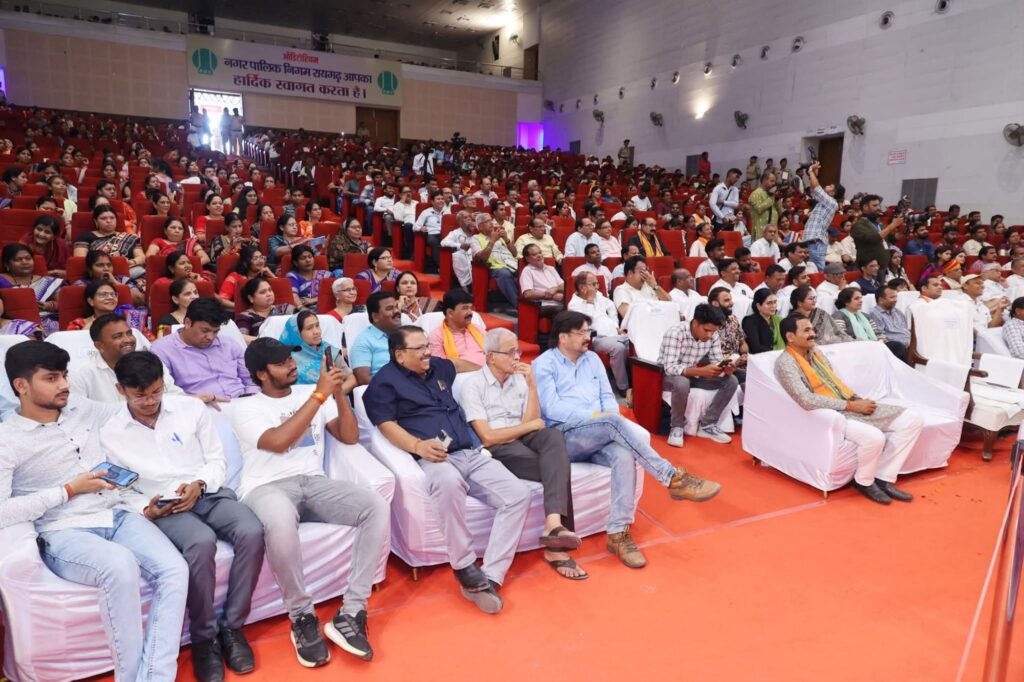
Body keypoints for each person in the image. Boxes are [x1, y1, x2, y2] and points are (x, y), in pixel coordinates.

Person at [0, 341, 188, 680]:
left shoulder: (80, 407)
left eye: (65, 375)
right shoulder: (6, 440)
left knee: (174, 569)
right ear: (21, 386)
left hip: (116, 513)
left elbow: (129, 405)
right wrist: (69, 490)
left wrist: (195, 402)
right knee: (120, 565)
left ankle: (156, 676)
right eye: (52, 378)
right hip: (63, 530)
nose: (64, 385)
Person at [100, 351, 265, 681]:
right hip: (165, 507)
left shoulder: (190, 409)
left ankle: (232, 627)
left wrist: (199, 484)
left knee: (252, 530)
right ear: (120, 390)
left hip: (207, 491)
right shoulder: (109, 432)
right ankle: (204, 638)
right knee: (201, 542)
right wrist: (146, 509)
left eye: (156, 391)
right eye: (140, 395)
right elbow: (117, 489)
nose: (150, 401)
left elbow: (217, 460)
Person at [232, 338, 389, 664]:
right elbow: (277, 442)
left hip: (313, 483)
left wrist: (338, 395)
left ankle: (352, 612)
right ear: (261, 374)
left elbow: (349, 436)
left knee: (374, 505)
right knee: (279, 519)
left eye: (290, 359)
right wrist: (319, 395)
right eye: (281, 363)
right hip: (266, 487)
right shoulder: (244, 407)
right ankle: (302, 616)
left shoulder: (311, 393)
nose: (291, 366)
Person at [364, 326, 531, 613]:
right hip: (434, 458)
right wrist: (417, 446)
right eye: (419, 349)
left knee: (518, 494)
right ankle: (464, 565)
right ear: (400, 355)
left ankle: (491, 576)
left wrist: (486, 369)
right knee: (448, 482)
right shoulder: (383, 384)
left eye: (427, 346)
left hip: (470, 452)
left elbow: (455, 364)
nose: (427, 352)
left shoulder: (436, 368)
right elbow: (386, 425)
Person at [535, 311, 721, 568]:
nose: (588, 337)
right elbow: (551, 409)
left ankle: (618, 534)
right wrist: (599, 418)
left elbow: (607, 396)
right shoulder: (544, 364)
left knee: (623, 454)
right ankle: (672, 477)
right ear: (563, 337)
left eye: (589, 331)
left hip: (599, 430)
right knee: (612, 422)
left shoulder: (592, 359)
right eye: (582, 332)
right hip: (565, 436)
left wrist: (607, 416)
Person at [460, 328, 586, 580]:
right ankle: (556, 551)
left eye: (517, 351)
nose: (517, 357)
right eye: (510, 352)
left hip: (523, 435)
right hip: (498, 444)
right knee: (557, 468)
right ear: (491, 356)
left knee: (553, 436)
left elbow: (534, 421)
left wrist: (532, 385)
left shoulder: (519, 378)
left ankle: (553, 524)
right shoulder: (472, 385)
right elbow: (487, 436)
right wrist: (528, 426)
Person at [774, 315, 923, 504]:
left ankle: (883, 477)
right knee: (874, 437)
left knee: (912, 420)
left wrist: (856, 399)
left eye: (812, 329)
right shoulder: (785, 363)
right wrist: (851, 405)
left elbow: (835, 384)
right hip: (829, 414)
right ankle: (864, 481)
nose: (813, 334)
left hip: (847, 404)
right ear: (790, 337)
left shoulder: (815, 353)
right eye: (807, 330)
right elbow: (806, 399)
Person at [657, 303, 741, 446]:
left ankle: (707, 425)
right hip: (667, 377)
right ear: (695, 323)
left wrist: (724, 369)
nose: (709, 335)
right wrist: (700, 371)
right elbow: (669, 368)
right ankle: (676, 427)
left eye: (713, 331)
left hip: (693, 375)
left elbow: (716, 361)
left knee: (731, 380)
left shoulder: (713, 335)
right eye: (706, 330)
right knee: (682, 382)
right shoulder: (676, 332)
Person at [152, 297, 257, 406]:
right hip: (200, 407)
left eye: (215, 331)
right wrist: (193, 400)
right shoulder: (162, 350)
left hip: (243, 403)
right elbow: (165, 395)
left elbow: (251, 381)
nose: (210, 337)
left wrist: (251, 398)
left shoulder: (229, 344)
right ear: (187, 323)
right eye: (205, 330)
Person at [68, 313, 180, 401]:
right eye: (118, 336)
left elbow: (175, 395)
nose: (128, 340)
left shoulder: (151, 363)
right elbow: (79, 413)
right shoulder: (82, 375)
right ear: (100, 346)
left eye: (129, 333)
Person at [568, 271, 631, 398]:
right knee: (618, 348)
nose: (597, 287)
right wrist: (590, 302)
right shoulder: (573, 305)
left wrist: (616, 326)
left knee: (635, 342)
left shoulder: (599, 296)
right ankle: (623, 387)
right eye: (594, 284)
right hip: (596, 338)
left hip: (614, 334)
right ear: (582, 287)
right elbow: (587, 321)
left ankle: (637, 384)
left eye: (597, 283)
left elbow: (611, 306)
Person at [279, 310, 355, 391]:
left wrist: (334, 394)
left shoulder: (328, 351)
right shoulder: (285, 358)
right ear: (297, 334)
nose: (317, 331)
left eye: (317, 326)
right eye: (309, 328)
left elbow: (351, 378)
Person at [0, 242, 63, 335]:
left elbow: (63, 304)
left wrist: (49, 305)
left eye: (28, 258)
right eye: (18, 259)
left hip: (46, 322)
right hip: (14, 323)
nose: (24, 262)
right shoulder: (1, 280)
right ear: (7, 264)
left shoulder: (48, 282)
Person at [73, 204, 146, 281]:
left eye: (112, 218)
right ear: (96, 221)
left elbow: (141, 257)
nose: (109, 221)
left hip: (128, 272)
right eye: (103, 218)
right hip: (99, 275)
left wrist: (130, 262)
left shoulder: (130, 238)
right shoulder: (85, 237)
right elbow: (80, 260)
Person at [351, 291, 403, 384]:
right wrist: (396, 386)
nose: (396, 311)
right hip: (388, 389)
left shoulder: (406, 335)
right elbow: (363, 379)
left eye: (396, 307)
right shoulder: (363, 341)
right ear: (375, 317)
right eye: (389, 308)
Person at [428, 288, 486, 371]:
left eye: (471, 308)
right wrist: (480, 369)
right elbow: (441, 367)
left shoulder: (477, 329)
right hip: (461, 376)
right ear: (450, 313)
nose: (470, 312)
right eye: (465, 308)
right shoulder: (436, 336)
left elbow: (494, 351)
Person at [470, 214, 519, 310]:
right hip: (494, 268)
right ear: (480, 227)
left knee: (527, 269)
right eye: (487, 221)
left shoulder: (500, 236)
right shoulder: (475, 239)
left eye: (491, 220)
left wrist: (507, 240)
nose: (491, 223)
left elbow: (515, 253)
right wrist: (492, 241)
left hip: (512, 265)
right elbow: (482, 258)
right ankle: (519, 306)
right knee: (504, 273)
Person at [801, 162, 839, 272]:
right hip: (813, 241)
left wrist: (810, 171)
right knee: (812, 271)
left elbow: (817, 188)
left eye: (830, 186)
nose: (827, 185)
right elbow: (814, 189)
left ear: (833, 192)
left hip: (816, 242)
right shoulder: (824, 201)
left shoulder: (832, 202)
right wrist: (813, 174)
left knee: (818, 271)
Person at [851, 195, 902, 270]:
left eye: (879, 205)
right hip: (868, 268)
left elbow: (891, 238)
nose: (878, 208)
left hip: (882, 268)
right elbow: (873, 238)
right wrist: (892, 226)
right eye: (875, 205)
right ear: (865, 207)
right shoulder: (859, 225)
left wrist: (902, 231)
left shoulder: (879, 223)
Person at [217, 244, 275, 310]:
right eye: (255, 258)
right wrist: (242, 307)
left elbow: (281, 296)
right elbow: (222, 301)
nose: (260, 261)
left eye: (261, 257)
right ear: (245, 263)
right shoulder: (234, 277)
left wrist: (272, 275)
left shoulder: (266, 276)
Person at [519, 244, 565, 316]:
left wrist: (555, 289)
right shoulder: (527, 271)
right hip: (543, 305)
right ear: (527, 259)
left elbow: (564, 286)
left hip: (561, 302)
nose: (539, 255)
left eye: (540, 252)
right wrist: (552, 296)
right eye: (534, 254)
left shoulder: (551, 269)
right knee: (566, 310)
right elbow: (528, 294)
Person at [868, 284, 911, 362]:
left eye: (896, 297)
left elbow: (905, 330)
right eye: (892, 297)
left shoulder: (897, 311)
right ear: (881, 300)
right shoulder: (874, 314)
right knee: (899, 346)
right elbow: (880, 337)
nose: (895, 300)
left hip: (908, 343)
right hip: (893, 346)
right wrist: (905, 342)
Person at [21, 214, 68, 278]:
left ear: (53, 237)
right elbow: (19, 268)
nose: (41, 234)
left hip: (54, 279)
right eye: (39, 229)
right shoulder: (25, 242)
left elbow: (68, 270)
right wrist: (50, 272)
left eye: (47, 232)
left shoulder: (61, 245)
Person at [285, 244, 331, 311]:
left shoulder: (325, 275)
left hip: (327, 310)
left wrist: (313, 300)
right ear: (295, 263)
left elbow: (333, 294)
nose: (308, 260)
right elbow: (293, 295)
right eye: (303, 258)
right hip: (303, 311)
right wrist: (302, 308)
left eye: (310, 257)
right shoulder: (293, 276)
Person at [439, 210, 477, 290]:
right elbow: (443, 242)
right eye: (465, 217)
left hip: (475, 258)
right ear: (460, 223)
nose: (469, 219)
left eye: (469, 217)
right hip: (463, 259)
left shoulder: (476, 232)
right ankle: (466, 287)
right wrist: (460, 246)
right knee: (458, 255)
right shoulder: (455, 233)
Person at [412, 190, 447, 272]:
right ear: (432, 202)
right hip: (431, 234)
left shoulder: (447, 212)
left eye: (442, 199)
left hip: (444, 234)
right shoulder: (426, 212)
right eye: (438, 199)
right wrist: (420, 228)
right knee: (434, 241)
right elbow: (415, 226)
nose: (441, 201)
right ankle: (442, 267)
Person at [743, 288, 784, 354]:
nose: (773, 306)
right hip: (760, 357)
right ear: (758, 306)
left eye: (775, 302)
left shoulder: (780, 320)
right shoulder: (750, 321)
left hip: (780, 355)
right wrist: (776, 353)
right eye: (769, 303)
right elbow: (756, 347)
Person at [749, 170, 780, 242]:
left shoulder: (771, 194)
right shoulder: (756, 193)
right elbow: (759, 209)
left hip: (773, 232)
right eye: (772, 181)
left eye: (774, 181)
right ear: (764, 180)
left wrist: (777, 199)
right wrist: (771, 198)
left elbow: (779, 212)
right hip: (760, 232)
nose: (774, 183)